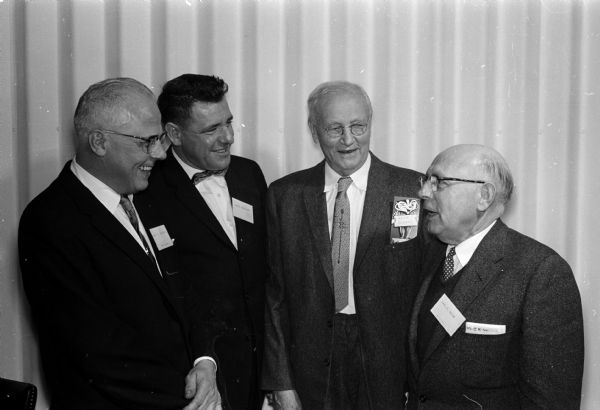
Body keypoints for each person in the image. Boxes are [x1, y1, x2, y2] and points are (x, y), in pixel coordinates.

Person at [19, 78, 222, 410]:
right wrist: (189, 400)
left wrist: (204, 362)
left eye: (159, 140)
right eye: (148, 141)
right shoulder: (50, 221)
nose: (159, 153)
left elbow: (186, 290)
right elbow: (95, 352)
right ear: (99, 142)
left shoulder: (147, 194)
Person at [261, 81, 425, 409]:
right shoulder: (285, 196)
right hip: (311, 368)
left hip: (387, 370)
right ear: (313, 131)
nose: (348, 139)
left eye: (358, 126)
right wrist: (280, 381)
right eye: (334, 128)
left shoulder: (412, 188)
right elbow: (274, 296)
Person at [407, 144, 584, 409]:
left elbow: (551, 401)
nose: (423, 192)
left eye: (438, 183)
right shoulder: (429, 257)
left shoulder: (541, 273)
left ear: (484, 196)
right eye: (426, 181)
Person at [134, 74, 267, 410]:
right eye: (211, 130)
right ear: (174, 134)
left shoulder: (250, 174)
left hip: (261, 365)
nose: (228, 138)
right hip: (202, 373)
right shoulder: (148, 192)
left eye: (229, 123)